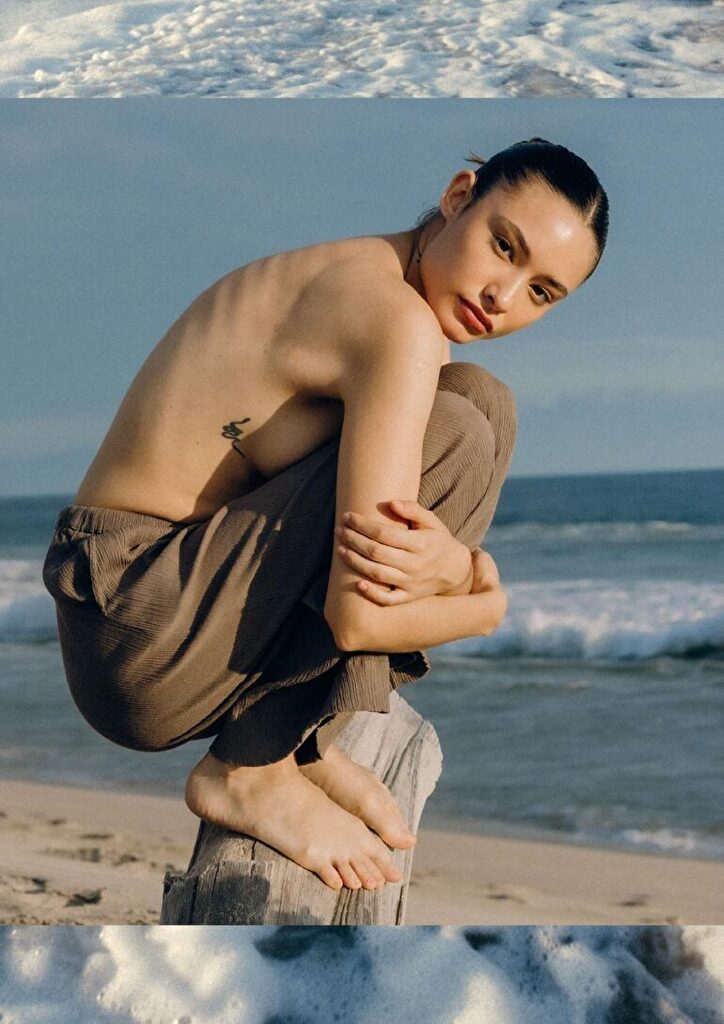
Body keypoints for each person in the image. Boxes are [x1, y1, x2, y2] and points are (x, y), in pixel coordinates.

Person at [43, 138, 609, 892]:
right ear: (458, 196)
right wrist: (484, 603)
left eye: (541, 292)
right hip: (136, 624)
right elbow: (359, 618)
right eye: (503, 246)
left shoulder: (378, 286)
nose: (502, 295)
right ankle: (251, 768)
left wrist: (452, 567)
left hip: (158, 607)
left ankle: (300, 742)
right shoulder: (394, 322)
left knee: (483, 404)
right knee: (457, 431)